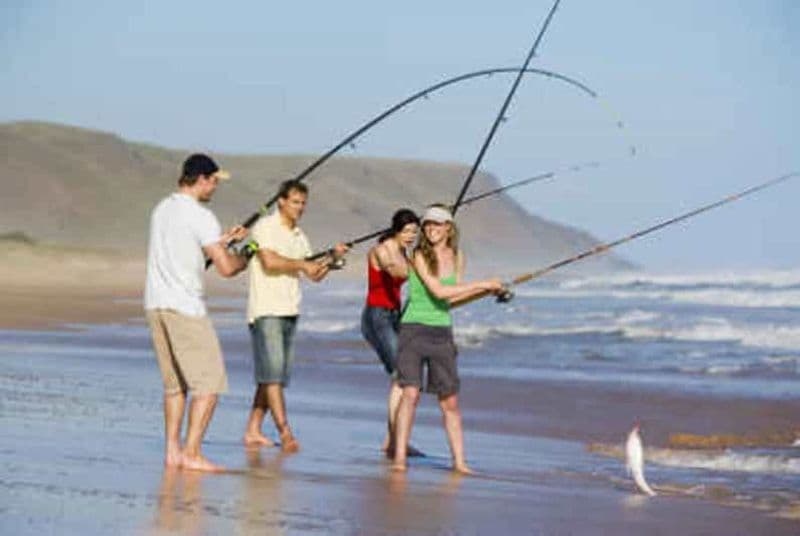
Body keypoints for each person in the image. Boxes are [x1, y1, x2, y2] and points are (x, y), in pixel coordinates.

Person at [144, 153, 249, 472]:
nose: (216, 186)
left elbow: (187, 248)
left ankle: (173, 451)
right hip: (185, 308)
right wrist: (247, 255)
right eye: (214, 180)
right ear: (201, 179)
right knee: (209, 384)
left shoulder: (163, 209)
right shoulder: (202, 216)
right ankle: (192, 452)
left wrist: (222, 241)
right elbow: (227, 268)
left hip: (156, 305)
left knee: (175, 385)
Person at [391, 205, 503, 474]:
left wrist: (487, 292)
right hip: (413, 329)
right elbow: (439, 291)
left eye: (438, 225)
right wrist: (483, 283)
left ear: (449, 228)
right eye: (428, 224)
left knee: (449, 401)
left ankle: (460, 462)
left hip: (441, 331)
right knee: (410, 394)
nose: (431, 229)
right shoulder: (418, 255)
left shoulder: (458, 256)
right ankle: (399, 459)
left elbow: (452, 299)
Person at [243, 179, 348, 452]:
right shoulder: (264, 227)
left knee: (273, 376)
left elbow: (314, 274)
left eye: (303, 203)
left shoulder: (300, 236)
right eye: (295, 202)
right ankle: (285, 432)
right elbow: (269, 261)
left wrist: (333, 260)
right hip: (266, 309)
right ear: (281, 201)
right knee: (274, 376)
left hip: (291, 310)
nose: (300, 208)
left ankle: (253, 429)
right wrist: (303, 263)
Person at [360, 208, 422, 457]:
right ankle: (396, 441)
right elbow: (395, 272)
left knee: (402, 376)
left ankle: (393, 439)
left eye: (414, 232)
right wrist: (419, 270)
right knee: (401, 375)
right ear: (397, 229)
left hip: (395, 315)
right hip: (377, 317)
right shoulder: (383, 249)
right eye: (407, 231)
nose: (410, 236)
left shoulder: (405, 252)